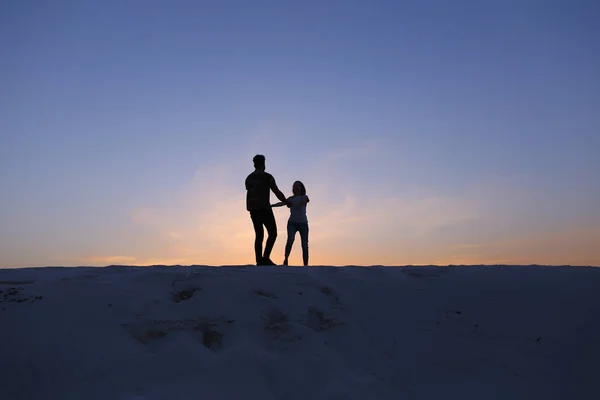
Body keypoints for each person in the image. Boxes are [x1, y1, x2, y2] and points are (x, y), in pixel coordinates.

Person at [245, 154, 291, 266]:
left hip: (253, 210)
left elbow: (249, 192)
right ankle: (265, 258)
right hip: (264, 209)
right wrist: (286, 202)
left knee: (259, 235)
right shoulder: (267, 177)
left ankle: (259, 261)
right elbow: (276, 191)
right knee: (273, 233)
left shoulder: (249, 178)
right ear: (263, 163)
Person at [271, 180, 310, 266]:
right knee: (290, 240)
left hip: (303, 223)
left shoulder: (304, 196)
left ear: (301, 188)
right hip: (292, 223)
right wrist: (271, 205)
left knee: (304, 244)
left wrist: (293, 204)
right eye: (295, 186)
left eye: (298, 186)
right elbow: (282, 203)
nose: (296, 187)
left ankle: (306, 265)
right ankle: (286, 259)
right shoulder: (290, 199)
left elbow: (306, 200)